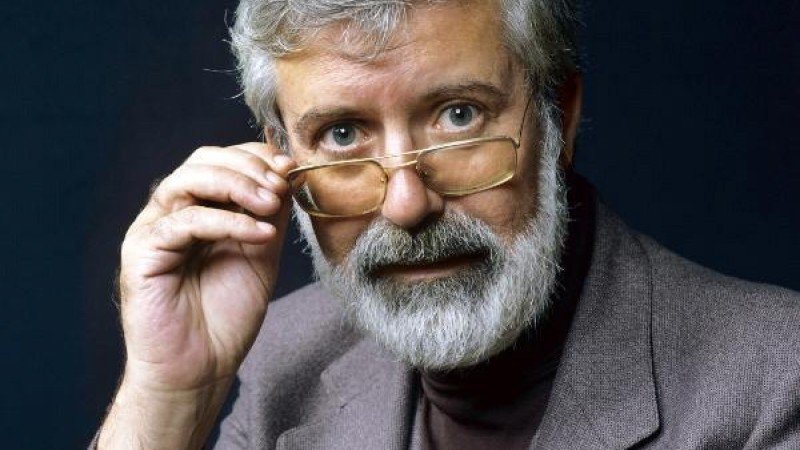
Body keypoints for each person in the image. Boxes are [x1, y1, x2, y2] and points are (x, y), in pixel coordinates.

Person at [93, 0, 800, 448]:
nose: (406, 204)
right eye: (343, 134)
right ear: (282, 157)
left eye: (459, 116)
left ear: (559, 120)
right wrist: (170, 398)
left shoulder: (775, 380)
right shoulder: (283, 358)